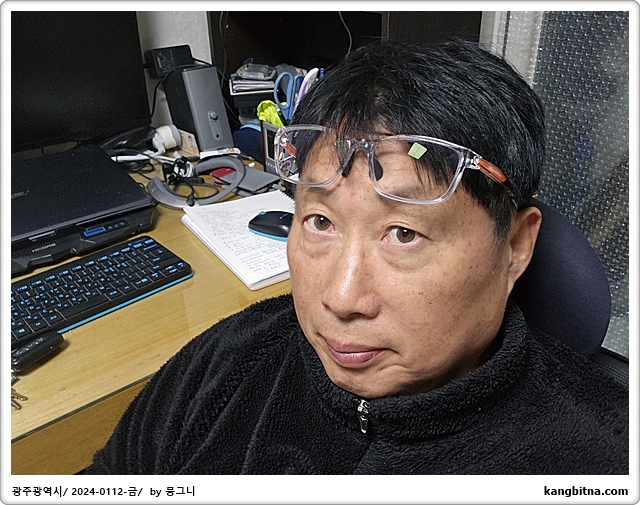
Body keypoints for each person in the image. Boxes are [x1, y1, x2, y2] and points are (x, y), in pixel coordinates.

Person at [84, 39, 628, 474]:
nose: (341, 299)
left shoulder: (601, 460)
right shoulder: (228, 364)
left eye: (403, 234)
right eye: (321, 222)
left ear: (515, 247)